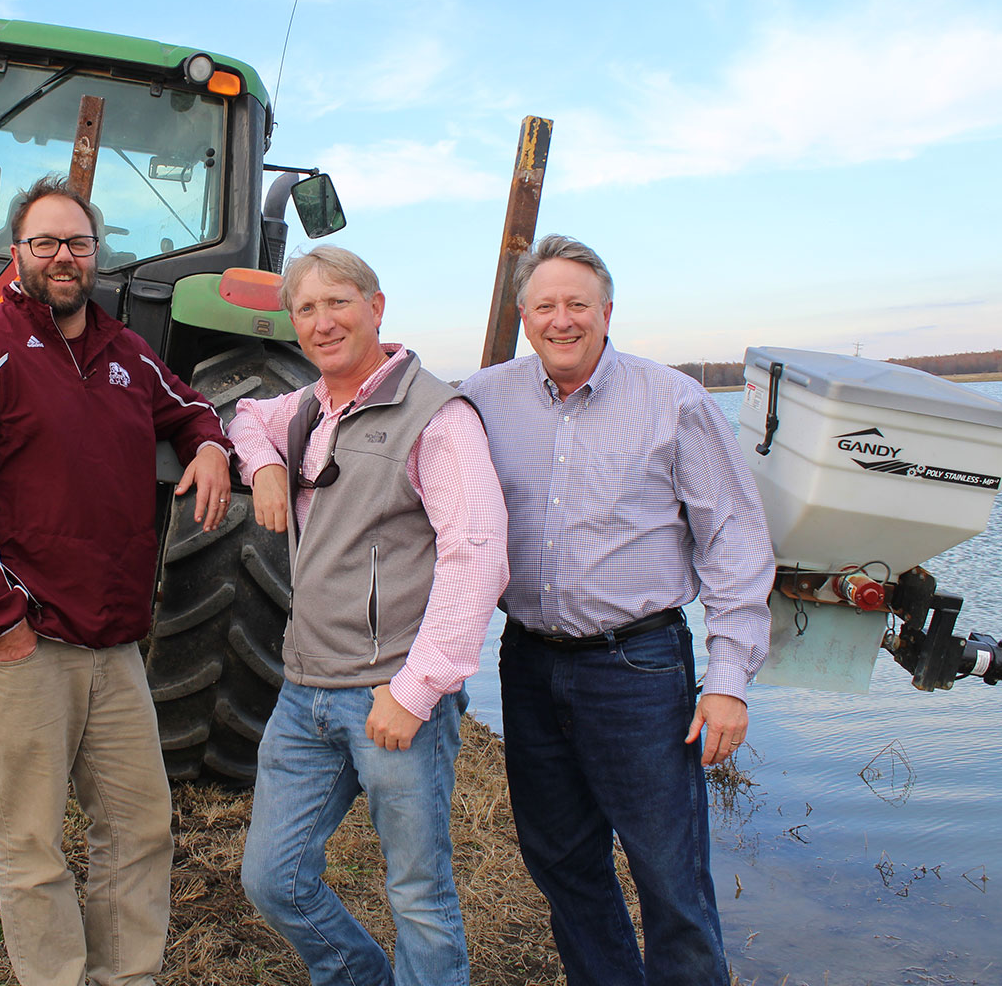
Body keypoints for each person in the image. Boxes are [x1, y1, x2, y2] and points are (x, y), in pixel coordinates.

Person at [0, 175, 232, 986]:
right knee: (32, 843)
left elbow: (187, 407)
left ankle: (125, 977)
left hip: (115, 642)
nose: (62, 256)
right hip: (26, 643)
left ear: (97, 255)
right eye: (44, 242)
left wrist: (213, 444)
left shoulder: (123, 352)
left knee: (138, 826)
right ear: (16, 254)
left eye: (77, 243)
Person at [459, 234, 774, 985]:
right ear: (523, 315)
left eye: (576, 304)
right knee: (561, 861)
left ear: (606, 311)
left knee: (669, 874)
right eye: (544, 306)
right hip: (529, 661)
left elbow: (732, 540)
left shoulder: (673, 401)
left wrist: (727, 679)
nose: (560, 320)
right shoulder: (481, 399)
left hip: (638, 666)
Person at [227, 246, 509, 986]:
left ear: (375, 307)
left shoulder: (437, 417)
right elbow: (246, 413)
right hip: (304, 689)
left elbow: (476, 556)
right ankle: (357, 975)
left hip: (391, 696)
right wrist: (262, 466)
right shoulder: (309, 408)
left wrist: (415, 690)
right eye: (306, 309)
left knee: (417, 895)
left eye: (338, 302)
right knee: (271, 879)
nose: (323, 322)